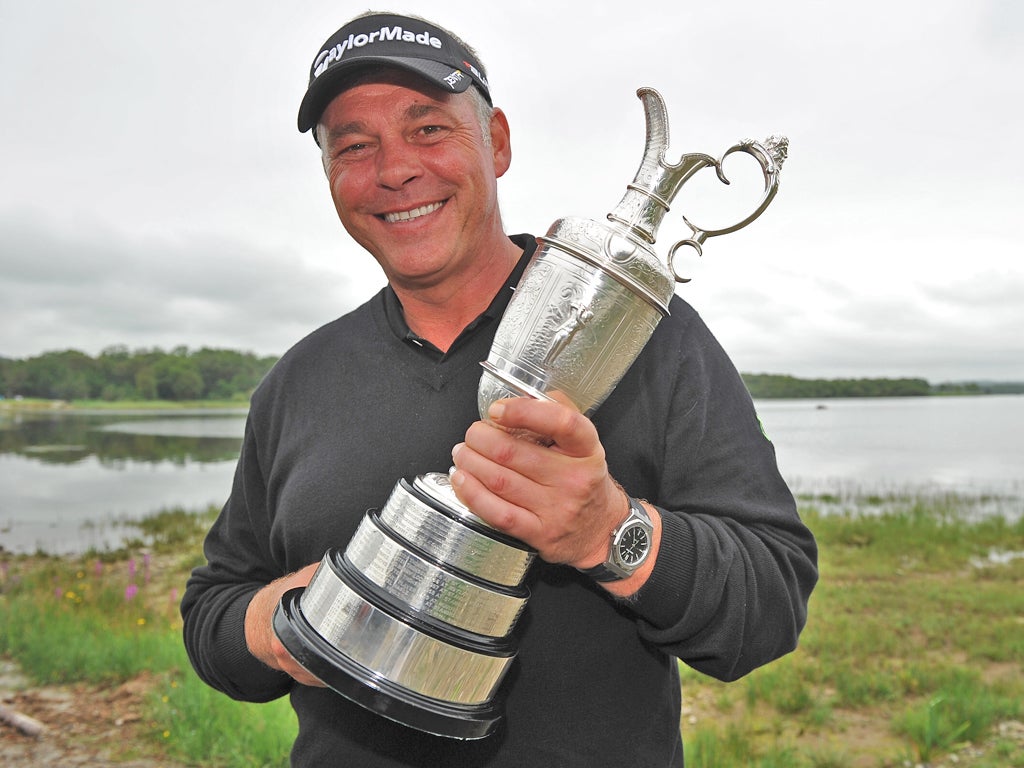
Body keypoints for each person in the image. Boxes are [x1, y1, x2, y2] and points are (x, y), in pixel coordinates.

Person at [181, 11, 818, 767]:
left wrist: (607, 532)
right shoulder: (295, 382)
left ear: (499, 143)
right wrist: (321, 614)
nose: (394, 170)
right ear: (330, 178)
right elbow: (212, 615)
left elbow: (769, 603)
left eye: (428, 130)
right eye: (354, 146)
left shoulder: (644, 334)